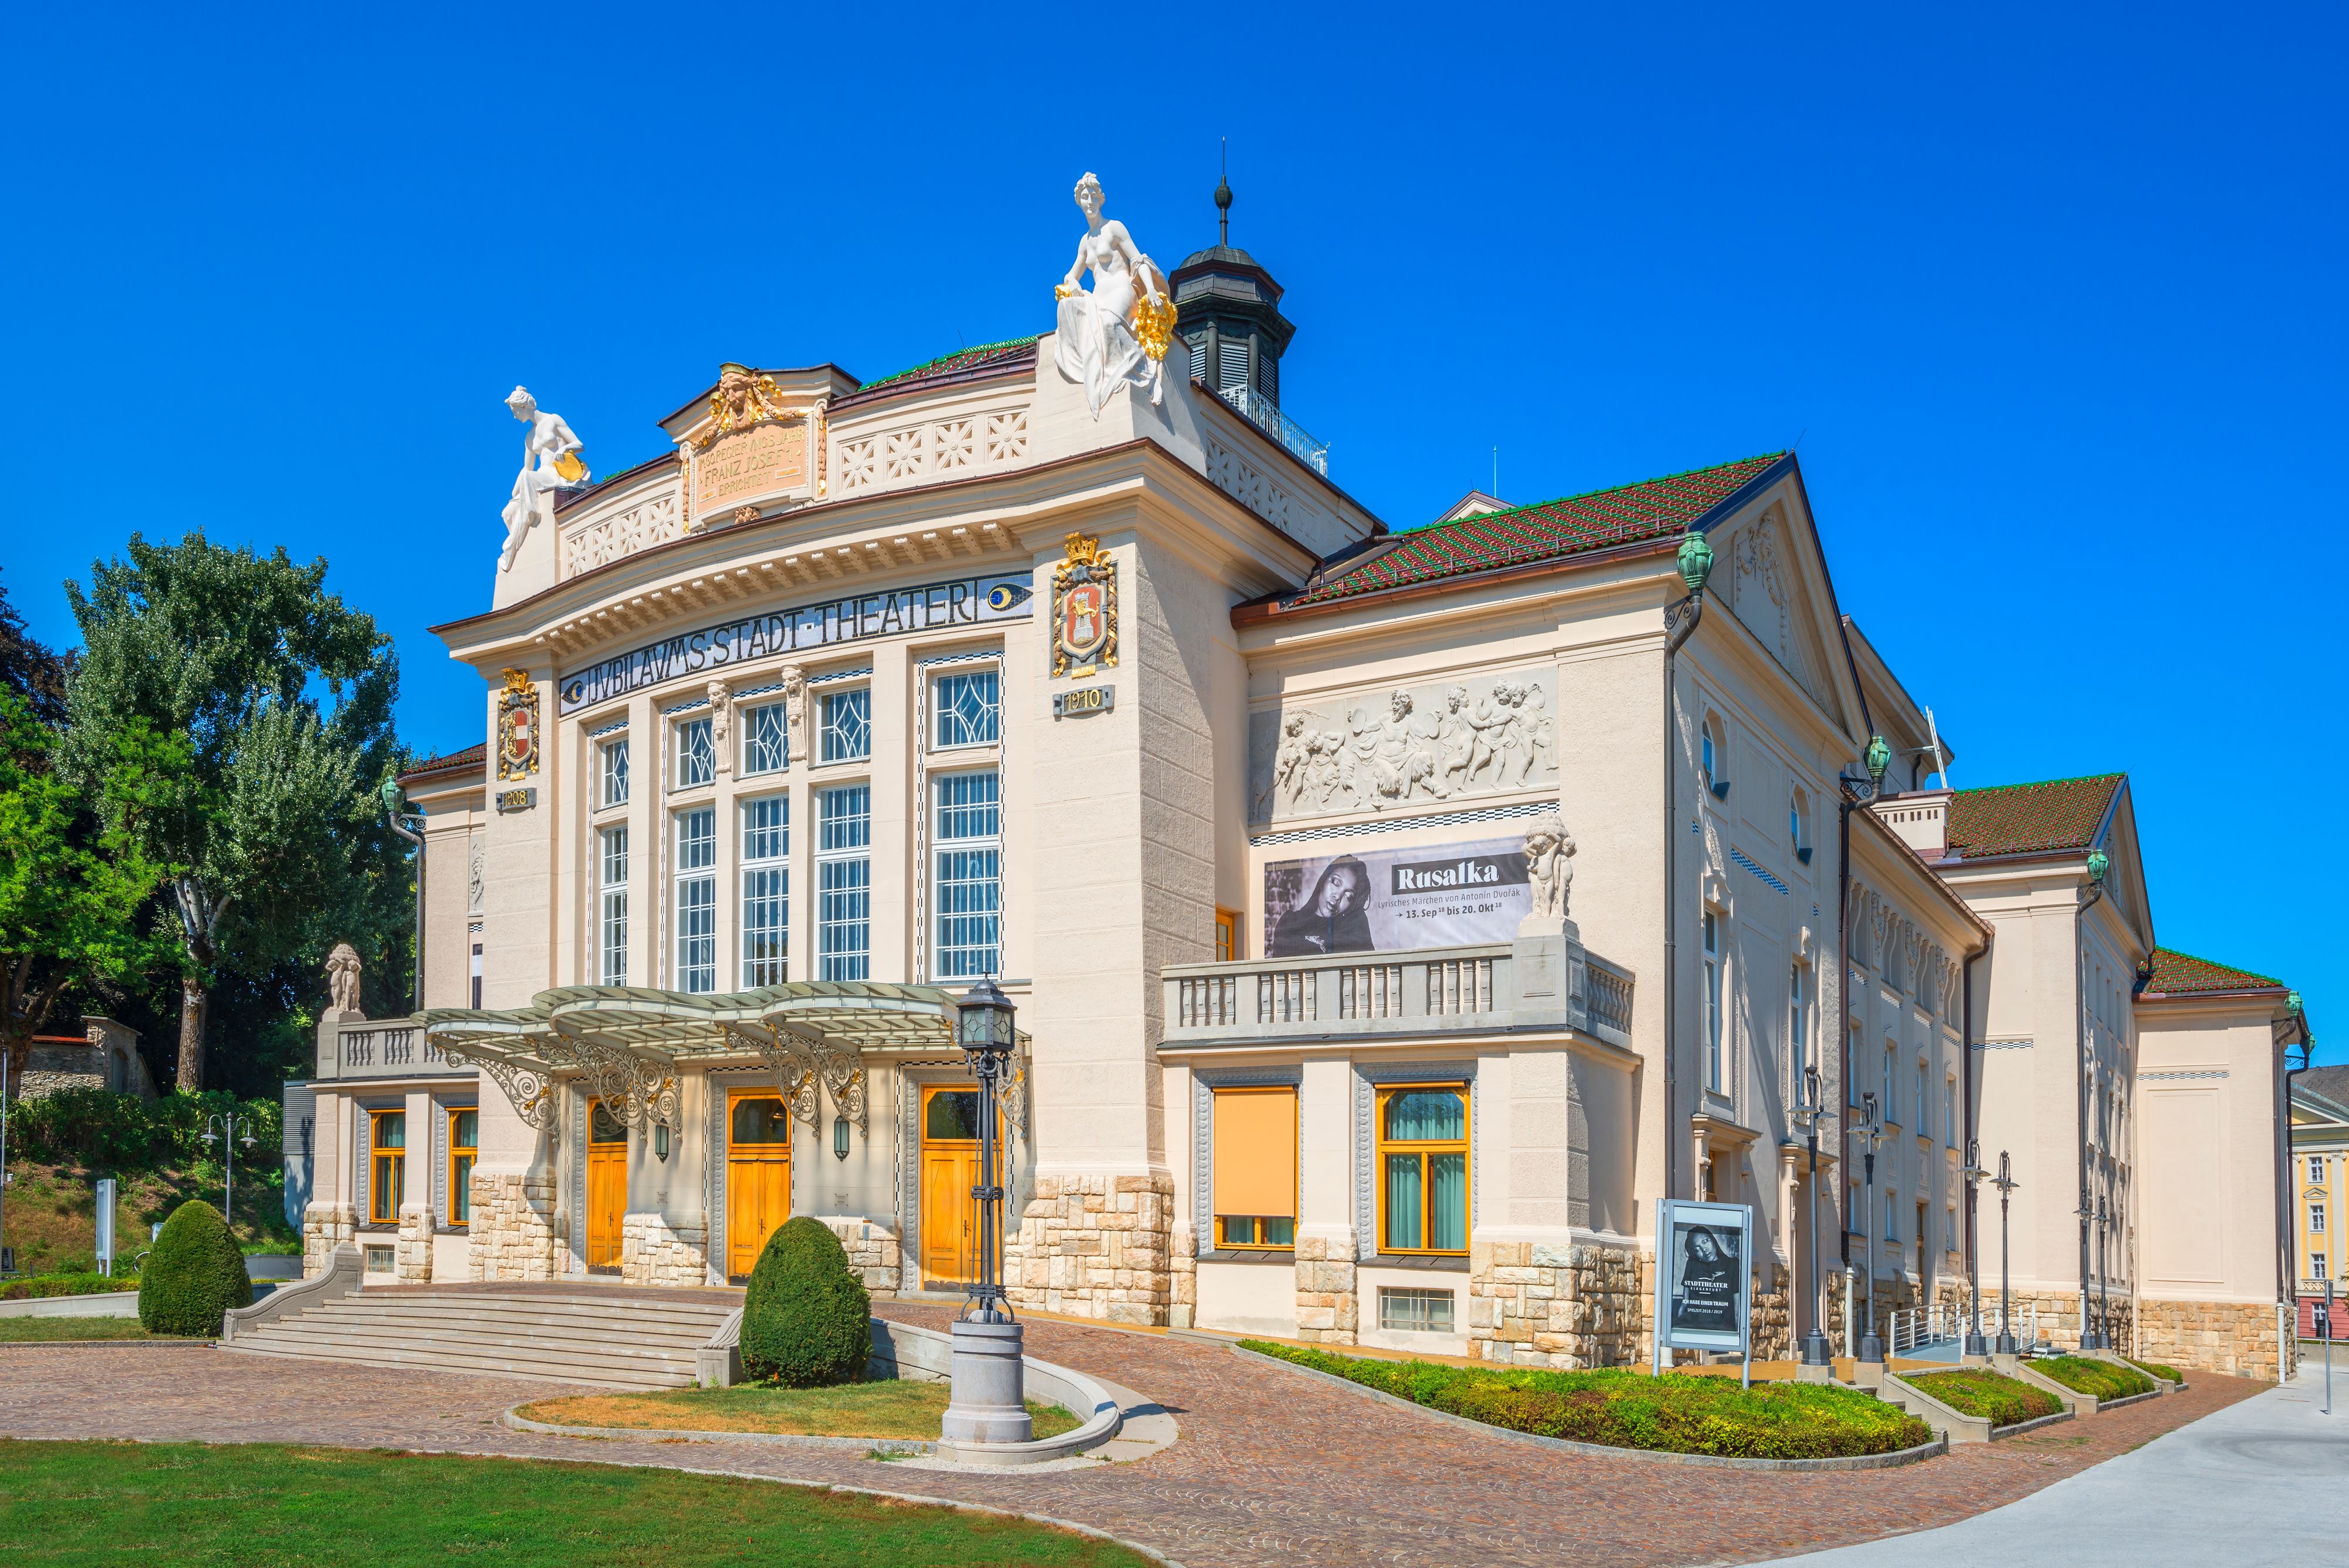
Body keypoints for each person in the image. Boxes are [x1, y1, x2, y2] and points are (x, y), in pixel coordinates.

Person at [1054, 173, 1171, 418]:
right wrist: (1073, 281)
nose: (1089, 202)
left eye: (1093, 196)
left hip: (1121, 290)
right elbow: (1071, 274)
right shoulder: (1085, 242)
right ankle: (1098, 379)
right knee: (1073, 314)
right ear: (1079, 203)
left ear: (1101, 199)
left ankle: (1146, 373)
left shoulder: (1114, 228)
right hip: (1099, 296)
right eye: (1084, 197)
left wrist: (1150, 290)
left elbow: (1138, 260)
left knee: (1108, 324)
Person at [500, 386, 587, 571]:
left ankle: (530, 514)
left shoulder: (553, 420)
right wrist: (514, 494)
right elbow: (527, 468)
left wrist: (564, 449)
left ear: (524, 406)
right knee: (509, 511)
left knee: (527, 481)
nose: (514, 416)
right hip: (541, 476)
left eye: (515, 411)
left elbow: (579, 444)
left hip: (559, 475)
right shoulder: (529, 437)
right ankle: (523, 524)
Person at [1268, 856, 1375, 957]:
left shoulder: (1349, 933)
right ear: (1323, 882)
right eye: (1336, 883)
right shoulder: (1289, 922)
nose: (1338, 896)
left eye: (1348, 896)